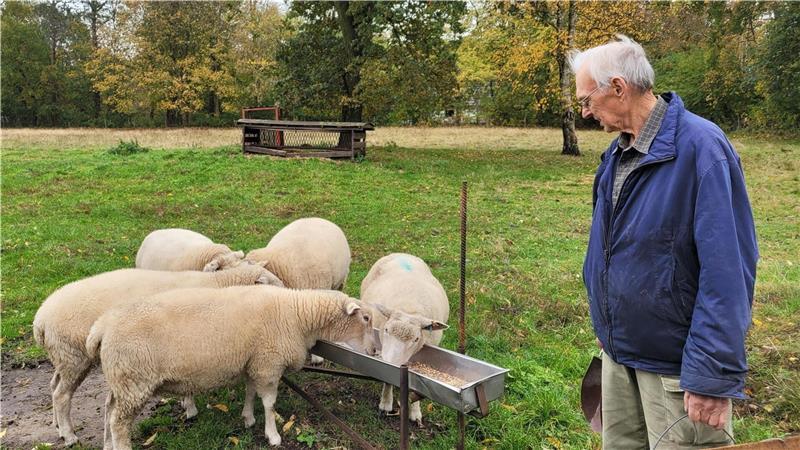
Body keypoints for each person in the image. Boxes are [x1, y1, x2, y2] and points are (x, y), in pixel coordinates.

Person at [571, 35, 758, 449]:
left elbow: (728, 272)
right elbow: (610, 252)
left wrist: (710, 375)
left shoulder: (702, 149)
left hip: (678, 370)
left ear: (618, 87)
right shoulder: (617, 156)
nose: (585, 112)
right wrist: (608, 323)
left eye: (587, 100)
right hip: (620, 358)